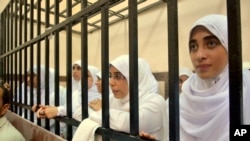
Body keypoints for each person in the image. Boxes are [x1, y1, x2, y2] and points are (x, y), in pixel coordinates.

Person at [178, 14, 250, 140]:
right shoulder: (186, 94)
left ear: (230, 47)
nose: (199, 55)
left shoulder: (245, 88)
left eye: (211, 43)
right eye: (193, 47)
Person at [72, 55, 167, 141]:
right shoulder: (114, 99)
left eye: (117, 76)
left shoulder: (155, 102)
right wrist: (105, 113)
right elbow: (79, 113)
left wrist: (101, 111)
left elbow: (130, 123)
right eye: (110, 76)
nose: (111, 82)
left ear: (136, 77)